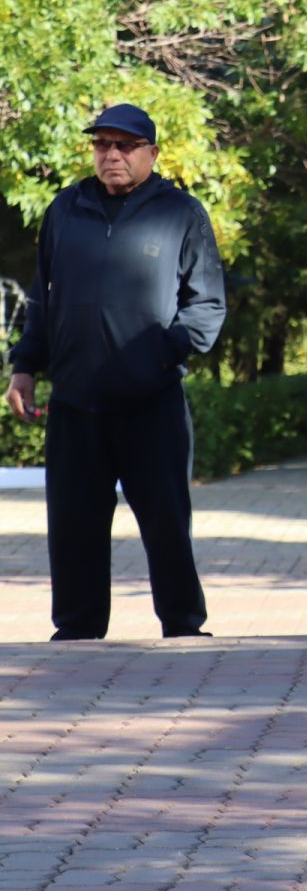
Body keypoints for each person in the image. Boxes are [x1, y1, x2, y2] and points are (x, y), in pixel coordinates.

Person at [5, 104, 226, 641]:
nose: (111, 155)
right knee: (74, 527)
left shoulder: (181, 213)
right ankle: (77, 631)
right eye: (102, 145)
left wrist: (159, 356)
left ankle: (183, 626)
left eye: (124, 146)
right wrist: (25, 365)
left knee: (166, 523)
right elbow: (43, 296)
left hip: (151, 401)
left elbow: (207, 307)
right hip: (76, 401)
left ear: (151, 152)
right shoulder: (65, 210)